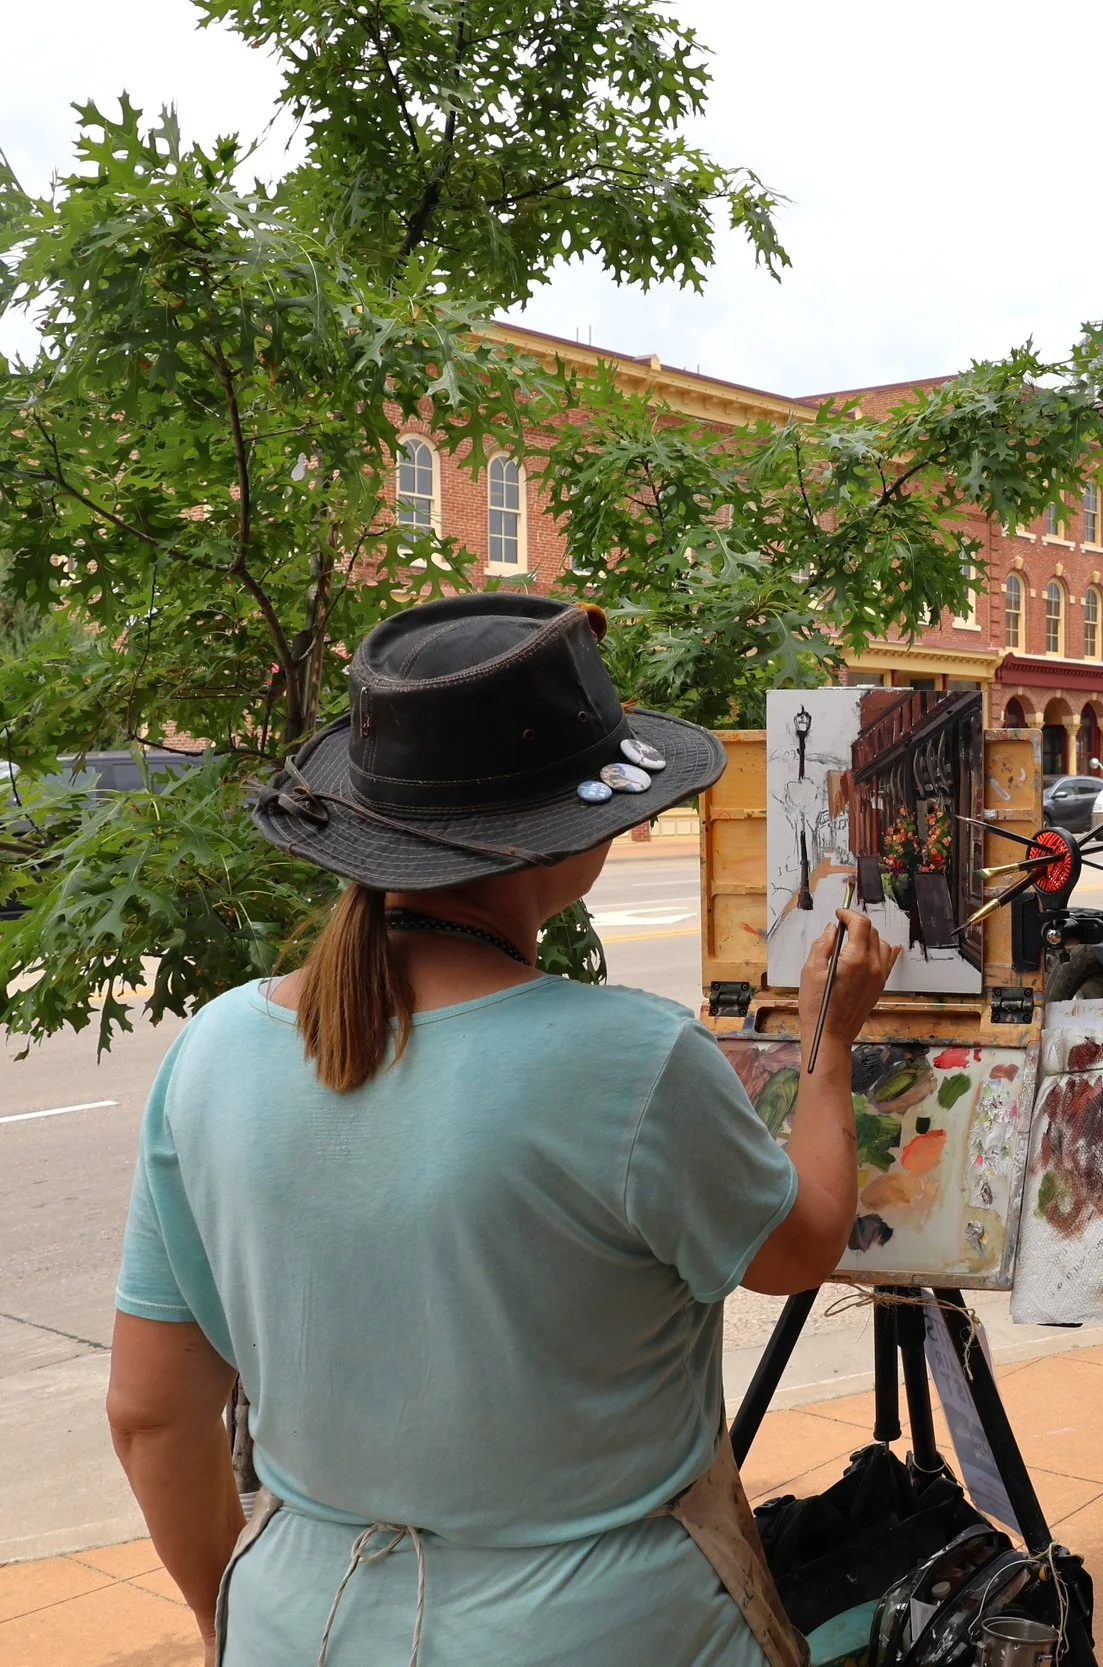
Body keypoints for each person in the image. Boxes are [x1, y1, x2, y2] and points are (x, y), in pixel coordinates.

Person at [106, 594, 898, 1665]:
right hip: (611, 1628)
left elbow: (151, 1415)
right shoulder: (632, 1057)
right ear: (558, 841)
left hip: (303, 1620)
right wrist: (830, 1045)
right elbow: (799, 1247)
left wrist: (229, 1621)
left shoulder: (209, 1052)